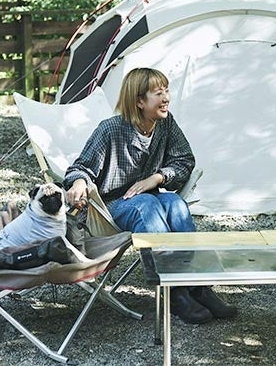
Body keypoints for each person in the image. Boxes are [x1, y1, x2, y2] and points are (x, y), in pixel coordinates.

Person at [63, 67, 236, 325]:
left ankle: (196, 286)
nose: (166, 97)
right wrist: (78, 182)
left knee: (176, 204)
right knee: (145, 205)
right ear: (139, 101)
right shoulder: (110, 130)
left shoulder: (165, 124)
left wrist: (157, 178)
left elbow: (184, 160)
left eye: (166, 90)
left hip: (152, 195)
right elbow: (81, 168)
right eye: (158, 93)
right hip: (113, 207)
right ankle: (174, 292)